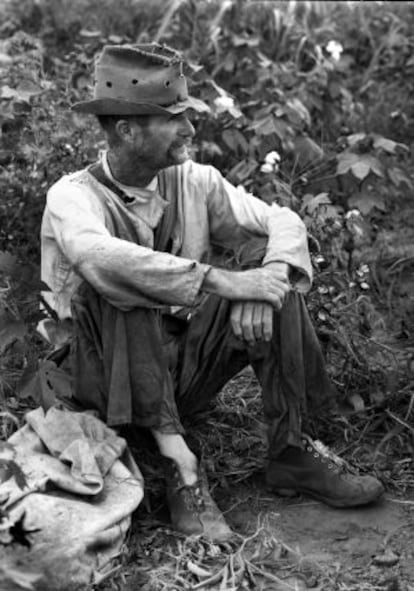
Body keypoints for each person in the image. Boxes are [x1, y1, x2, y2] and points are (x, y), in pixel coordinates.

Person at [39, 43, 384, 542]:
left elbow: (280, 219)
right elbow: (97, 258)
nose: (190, 130)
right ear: (126, 130)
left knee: (275, 284)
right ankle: (182, 469)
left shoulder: (193, 181)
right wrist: (222, 280)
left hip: (179, 373)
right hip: (98, 384)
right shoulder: (72, 195)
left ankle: (290, 453)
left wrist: (265, 282)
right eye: (173, 118)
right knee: (117, 286)